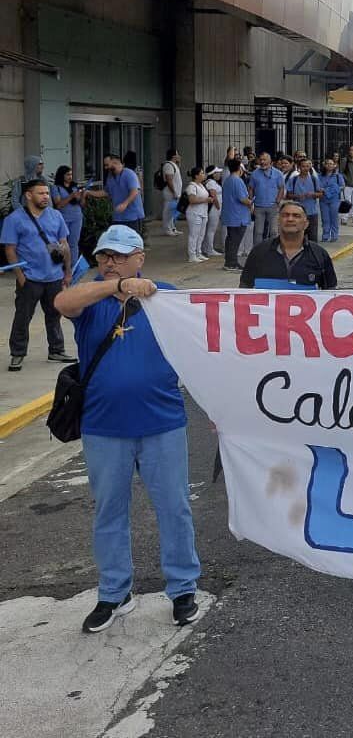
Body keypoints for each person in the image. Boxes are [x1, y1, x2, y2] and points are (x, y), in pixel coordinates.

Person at [53, 225, 202, 632]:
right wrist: (116, 285)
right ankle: (114, 592)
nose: (110, 261)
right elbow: (62, 302)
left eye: (120, 256)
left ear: (140, 258)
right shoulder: (92, 298)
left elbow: (204, 339)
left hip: (162, 422)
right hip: (103, 427)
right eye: (105, 255)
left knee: (174, 508)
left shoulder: (166, 296)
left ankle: (183, 588)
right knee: (109, 511)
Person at [3, 178, 74, 371]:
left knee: (54, 315)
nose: (46, 197)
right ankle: (17, 353)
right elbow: (10, 249)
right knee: (23, 317)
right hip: (30, 278)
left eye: (47, 193)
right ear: (28, 195)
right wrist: (20, 276)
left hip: (54, 276)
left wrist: (67, 272)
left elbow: (65, 244)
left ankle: (56, 350)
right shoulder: (14, 219)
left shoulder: (56, 216)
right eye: (41, 193)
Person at [240, 200, 337, 289]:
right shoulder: (259, 252)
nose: (290, 219)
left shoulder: (319, 255)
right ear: (278, 221)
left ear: (306, 224)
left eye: (296, 216)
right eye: (285, 215)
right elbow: (244, 289)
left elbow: (331, 292)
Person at [100, 152, 145, 234]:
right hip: (118, 217)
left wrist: (125, 204)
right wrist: (88, 192)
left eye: (107, 165)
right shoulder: (110, 177)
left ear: (115, 162)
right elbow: (106, 192)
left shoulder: (129, 173)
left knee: (132, 240)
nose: (106, 168)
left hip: (132, 217)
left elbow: (135, 191)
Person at [219, 159, 252, 271]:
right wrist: (251, 202)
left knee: (230, 239)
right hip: (238, 216)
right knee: (235, 241)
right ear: (240, 169)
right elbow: (243, 199)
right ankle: (232, 263)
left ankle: (229, 261)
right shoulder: (237, 181)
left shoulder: (228, 180)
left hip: (230, 215)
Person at [51, 165, 85, 266]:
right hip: (63, 219)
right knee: (60, 243)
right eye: (67, 175)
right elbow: (58, 204)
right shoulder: (56, 187)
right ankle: (60, 265)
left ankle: (73, 265)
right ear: (62, 175)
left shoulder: (74, 186)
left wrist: (82, 196)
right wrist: (71, 196)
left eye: (71, 174)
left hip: (77, 217)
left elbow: (82, 204)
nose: (70, 177)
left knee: (74, 243)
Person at [249, 152, 285, 245]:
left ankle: (273, 249)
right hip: (259, 207)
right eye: (261, 160)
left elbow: (281, 188)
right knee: (258, 232)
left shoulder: (278, 173)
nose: (262, 162)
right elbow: (251, 188)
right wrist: (251, 203)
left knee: (274, 231)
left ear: (270, 161)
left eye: (264, 160)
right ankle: (257, 250)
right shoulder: (254, 174)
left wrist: (278, 201)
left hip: (273, 207)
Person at [285, 158, 321, 242]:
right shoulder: (293, 179)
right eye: (303, 166)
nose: (305, 168)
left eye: (307, 166)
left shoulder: (314, 179)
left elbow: (320, 194)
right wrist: (297, 196)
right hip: (297, 213)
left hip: (312, 212)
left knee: (312, 237)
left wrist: (313, 194)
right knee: (297, 236)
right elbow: (288, 195)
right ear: (299, 167)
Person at [183, 167, 211, 263]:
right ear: (196, 176)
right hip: (194, 213)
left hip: (203, 212)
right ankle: (192, 255)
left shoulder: (201, 185)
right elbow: (192, 200)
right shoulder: (192, 186)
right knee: (194, 234)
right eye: (201, 173)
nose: (203, 175)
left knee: (201, 234)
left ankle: (198, 252)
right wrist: (205, 200)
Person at [160, 149, 182, 236]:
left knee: (173, 211)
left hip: (175, 193)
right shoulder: (168, 165)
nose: (179, 156)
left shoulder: (173, 165)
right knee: (168, 211)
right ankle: (167, 229)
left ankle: (172, 228)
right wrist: (174, 192)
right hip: (170, 193)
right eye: (177, 154)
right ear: (173, 156)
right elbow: (169, 180)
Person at [201, 166, 223, 259]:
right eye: (217, 173)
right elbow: (214, 196)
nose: (219, 174)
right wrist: (218, 207)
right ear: (213, 174)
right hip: (214, 209)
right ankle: (209, 249)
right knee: (211, 229)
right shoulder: (210, 183)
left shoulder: (213, 182)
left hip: (216, 208)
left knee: (211, 229)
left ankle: (206, 247)